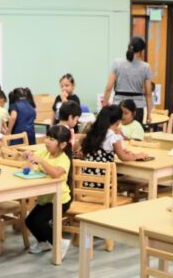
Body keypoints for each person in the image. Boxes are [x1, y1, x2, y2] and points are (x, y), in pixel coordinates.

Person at [25, 125, 72, 258]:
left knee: (39, 221)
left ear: (62, 144)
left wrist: (41, 161)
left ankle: (59, 243)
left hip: (60, 200)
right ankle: (43, 242)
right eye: (47, 137)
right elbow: (33, 161)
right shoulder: (44, 152)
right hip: (45, 198)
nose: (46, 141)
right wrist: (29, 157)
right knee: (30, 221)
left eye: (51, 139)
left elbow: (56, 173)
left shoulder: (64, 159)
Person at [78, 105, 151, 175]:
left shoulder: (93, 132)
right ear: (118, 121)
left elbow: (100, 149)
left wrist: (115, 151)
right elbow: (123, 157)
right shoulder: (113, 137)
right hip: (103, 180)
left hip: (87, 177)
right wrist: (136, 156)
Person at [102, 36, 153, 124]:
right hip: (137, 108)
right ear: (141, 51)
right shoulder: (146, 67)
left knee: (116, 134)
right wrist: (149, 113)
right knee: (135, 135)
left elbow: (108, 87)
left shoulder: (117, 63)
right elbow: (148, 94)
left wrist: (104, 106)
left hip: (118, 106)